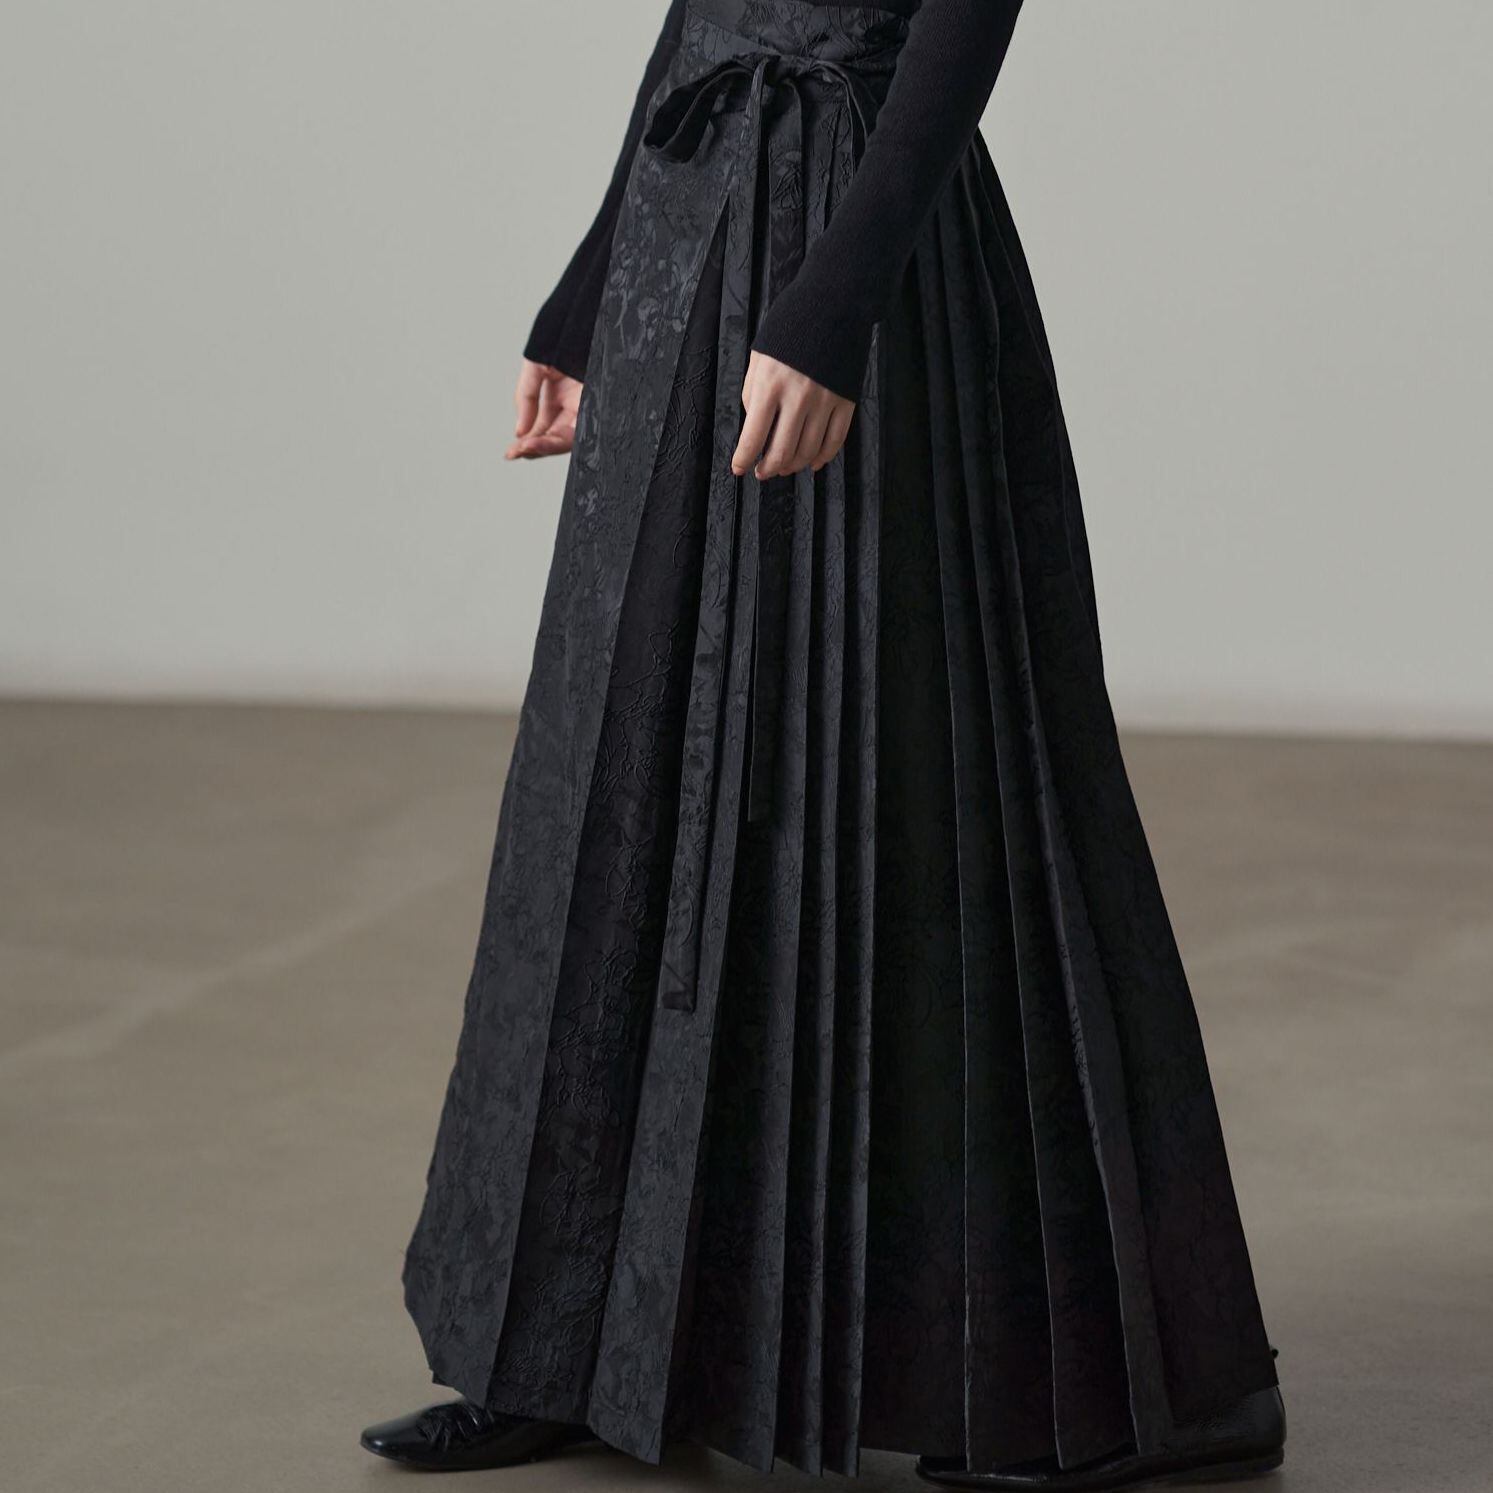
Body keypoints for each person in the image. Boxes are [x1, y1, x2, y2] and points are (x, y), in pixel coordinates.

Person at [359, 1, 1287, 1488]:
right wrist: (591, 289)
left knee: (930, 791)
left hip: (859, 258)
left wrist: (834, 302)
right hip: (689, 239)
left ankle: (1113, 1390)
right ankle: (575, 1352)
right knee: (624, 769)